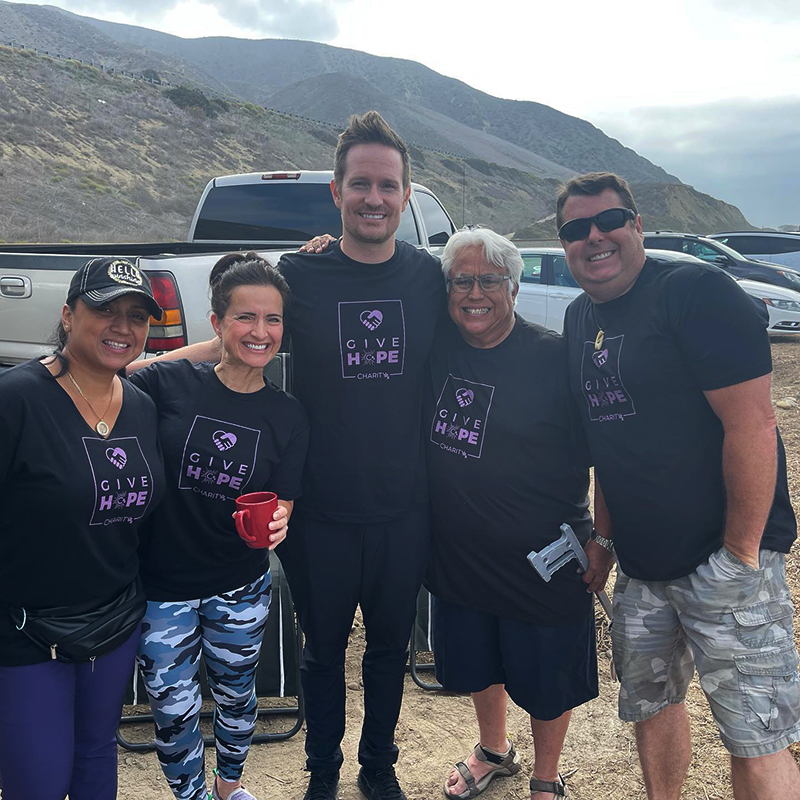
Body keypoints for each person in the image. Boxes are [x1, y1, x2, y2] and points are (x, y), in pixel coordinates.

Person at [155, 111, 445, 800]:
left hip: (405, 507)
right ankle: (323, 772)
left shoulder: (428, 279)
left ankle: (378, 768)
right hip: (321, 511)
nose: (373, 197)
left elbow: (487, 314)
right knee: (321, 653)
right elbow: (243, 339)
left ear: (405, 196)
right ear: (337, 194)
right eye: (360, 184)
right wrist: (134, 367)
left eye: (387, 185)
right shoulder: (301, 276)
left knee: (385, 652)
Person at [557, 172, 800, 800]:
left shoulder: (696, 291)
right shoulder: (579, 319)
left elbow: (752, 424)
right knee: (651, 707)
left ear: (636, 225)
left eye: (607, 221)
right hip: (641, 567)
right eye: (574, 229)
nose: (593, 237)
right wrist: (605, 540)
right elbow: (607, 441)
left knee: (756, 735)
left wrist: (741, 555)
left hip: (723, 561)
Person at [425, 227, 612, 800]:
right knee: (481, 660)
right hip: (459, 553)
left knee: (548, 672)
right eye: (462, 280)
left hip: (545, 555)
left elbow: (609, 453)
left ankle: (546, 778)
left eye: (489, 280)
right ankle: (494, 750)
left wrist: (604, 541)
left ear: (513, 287)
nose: (474, 292)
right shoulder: (436, 347)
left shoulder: (556, 358)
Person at [127, 253, 309, 800]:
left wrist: (280, 521)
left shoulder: (288, 415)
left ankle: (229, 787)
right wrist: (215, 353)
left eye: (272, 319)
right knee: (173, 708)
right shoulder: (171, 383)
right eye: (244, 318)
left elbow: (287, 499)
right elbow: (118, 371)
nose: (261, 331)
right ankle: (192, 796)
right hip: (163, 587)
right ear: (218, 323)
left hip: (240, 581)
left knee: (237, 696)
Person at [0, 257, 165, 800]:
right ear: (68, 315)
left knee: (96, 761)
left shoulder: (140, 408)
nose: (123, 326)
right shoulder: (16, 400)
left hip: (114, 623)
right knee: (39, 780)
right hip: (26, 630)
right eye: (105, 309)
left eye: (137, 315)